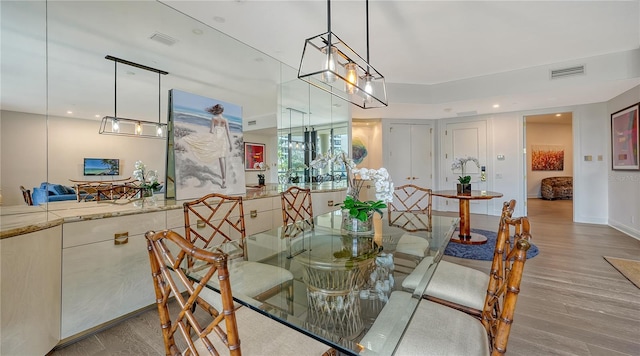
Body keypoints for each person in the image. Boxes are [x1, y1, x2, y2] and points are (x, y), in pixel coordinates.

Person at [182, 103, 233, 188]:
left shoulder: (214, 118)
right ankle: (224, 180)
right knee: (222, 159)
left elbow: (211, 131)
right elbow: (228, 133)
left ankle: (223, 179)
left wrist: (209, 138)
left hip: (216, 139)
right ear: (222, 111)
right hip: (223, 140)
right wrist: (231, 144)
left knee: (217, 156)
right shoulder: (225, 120)